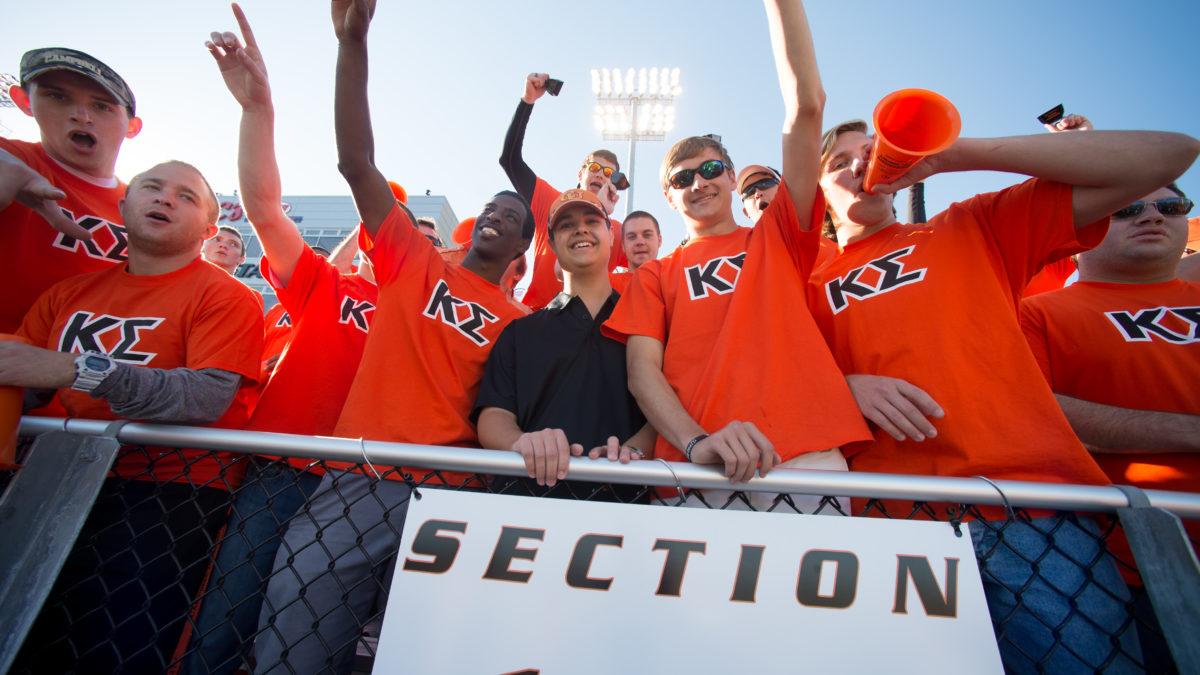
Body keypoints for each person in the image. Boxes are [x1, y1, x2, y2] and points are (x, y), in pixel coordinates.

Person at [808, 113, 1198, 671]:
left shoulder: (971, 225)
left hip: (1032, 514)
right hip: (889, 525)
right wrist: (839, 386)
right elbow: (772, 378)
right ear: (818, 190)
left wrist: (946, 154)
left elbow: (1171, 152)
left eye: (869, 154)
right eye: (839, 162)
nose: (859, 167)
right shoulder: (802, 282)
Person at [252, 1, 532, 672]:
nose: (495, 213)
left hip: (455, 490)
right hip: (363, 470)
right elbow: (356, 162)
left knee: (426, 651)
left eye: (511, 213)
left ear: (524, 246)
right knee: (297, 625)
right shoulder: (412, 258)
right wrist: (352, 43)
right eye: (489, 206)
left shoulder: (524, 323)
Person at [604, 0, 871, 512]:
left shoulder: (778, 235)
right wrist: (694, 443)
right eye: (682, 178)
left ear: (731, 177)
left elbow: (807, 106)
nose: (698, 183)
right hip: (695, 472)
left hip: (804, 456)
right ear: (669, 198)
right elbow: (642, 373)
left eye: (710, 170)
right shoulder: (656, 273)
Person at [1, 160, 263, 674]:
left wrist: (77, 368)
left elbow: (204, 397)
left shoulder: (229, 295)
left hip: (168, 490)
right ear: (123, 206)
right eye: (152, 188)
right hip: (57, 473)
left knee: (115, 648)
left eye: (186, 196)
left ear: (209, 230)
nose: (165, 199)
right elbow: (24, 382)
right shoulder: (67, 293)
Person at [186, 8, 383, 673]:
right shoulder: (328, 283)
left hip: (368, 480)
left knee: (309, 643)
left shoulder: (427, 312)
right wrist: (257, 111)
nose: (386, 238)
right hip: (283, 470)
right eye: (377, 227)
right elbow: (266, 210)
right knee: (224, 624)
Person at [1020, 184, 1199, 672]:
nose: (1151, 217)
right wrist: (1189, 432)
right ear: (1081, 227)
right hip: (1138, 560)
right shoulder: (1036, 312)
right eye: (1126, 210)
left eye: (1171, 207)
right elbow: (1034, 412)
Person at [475, 188, 653, 497]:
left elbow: (668, 407)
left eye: (591, 221)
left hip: (624, 504)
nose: (580, 229)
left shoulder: (646, 324)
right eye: (567, 225)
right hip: (526, 500)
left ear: (611, 236)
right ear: (552, 244)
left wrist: (634, 450)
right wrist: (520, 442)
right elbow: (493, 414)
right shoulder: (519, 332)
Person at [0, 47, 143, 333]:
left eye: (102, 106)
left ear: (132, 127)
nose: (81, 115)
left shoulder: (147, 205)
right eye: (57, 97)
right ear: (25, 101)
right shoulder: (12, 161)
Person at [499, 72, 628, 310]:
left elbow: (647, 267)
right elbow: (509, 160)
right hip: (536, 316)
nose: (601, 175)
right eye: (595, 168)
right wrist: (527, 101)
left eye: (609, 173)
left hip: (587, 325)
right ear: (580, 174)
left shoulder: (618, 231)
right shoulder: (552, 201)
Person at [610, 209, 662, 294]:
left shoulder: (674, 283)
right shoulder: (606, 285)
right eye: (632, 237)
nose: (640, 242)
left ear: (659, 240)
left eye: (647, 235)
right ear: (623, 245)